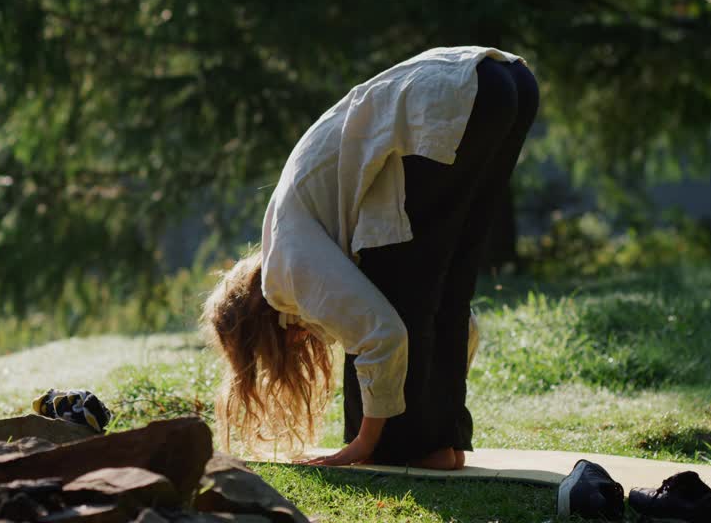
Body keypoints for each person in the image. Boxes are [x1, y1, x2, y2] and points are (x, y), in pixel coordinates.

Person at [201, 46, 538, 469]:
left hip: (449, 96)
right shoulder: (313, 233)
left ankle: (407, 450)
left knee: (396, 303)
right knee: (445, 292)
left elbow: (384, 334)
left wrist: (361, 448)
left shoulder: (285, 270)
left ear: (260, 335)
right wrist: (442, 417)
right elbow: (461, 325)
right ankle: (441, 446)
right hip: (507, 82)